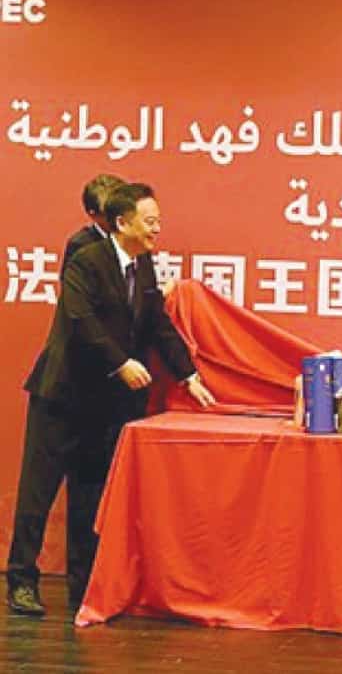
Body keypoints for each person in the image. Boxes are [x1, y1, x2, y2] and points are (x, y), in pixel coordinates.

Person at [6, 182, 216, 616]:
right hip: (60, 397)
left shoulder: (144, 265)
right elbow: (80, 320)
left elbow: (157, 326)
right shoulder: (86, 261)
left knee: (88, 496)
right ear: (123, 223)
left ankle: (83, 586)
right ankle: (21, 581)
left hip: (101, 406)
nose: (158, 228)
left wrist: (189, 374)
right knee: (37, 495)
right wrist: (120, 363)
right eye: (150, 221)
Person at [61, 174, 125, 274]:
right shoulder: (81, 245)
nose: (119, 217)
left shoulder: (137, 237)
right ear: (93, 214)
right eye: (110, 213)